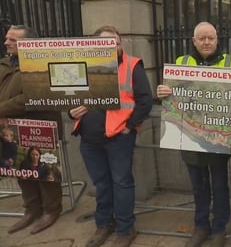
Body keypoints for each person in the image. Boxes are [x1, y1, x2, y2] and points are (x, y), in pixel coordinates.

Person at [156, 21, 231, 247]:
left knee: (220, 185)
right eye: (201, 38)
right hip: (190, 135)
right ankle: (201, 226)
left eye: (210, 38)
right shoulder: (181, 63)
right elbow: (171, 95)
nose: (206, 42)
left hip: (218, 138)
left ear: (217, 40)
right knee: (198, 185)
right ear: (193, 41)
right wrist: (163, 91)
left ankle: (220, 227)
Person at [69, 25, 153, 247]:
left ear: (120, 43)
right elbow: (68, 95)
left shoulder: (133, 65)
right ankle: (104, 224)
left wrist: (130, 127)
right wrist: (71, 112)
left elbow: (145, 100)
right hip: (89, 139)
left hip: (118, 137)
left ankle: (126, 229)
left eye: (115, 42)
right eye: (106, 42)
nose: (112, 47)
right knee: (102, 184)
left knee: (122, 183)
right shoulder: (85, 66)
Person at [2, 25, 64, 235]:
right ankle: (31, 209)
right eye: (7, 39)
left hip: (40, 125)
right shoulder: (4, 63)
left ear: (28, 44)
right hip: (10, 126)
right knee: (22, 169)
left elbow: (33, 97)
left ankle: (51, 210)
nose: (6, 43)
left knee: (45, 171)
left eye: (12, 40)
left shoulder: (42, 64)